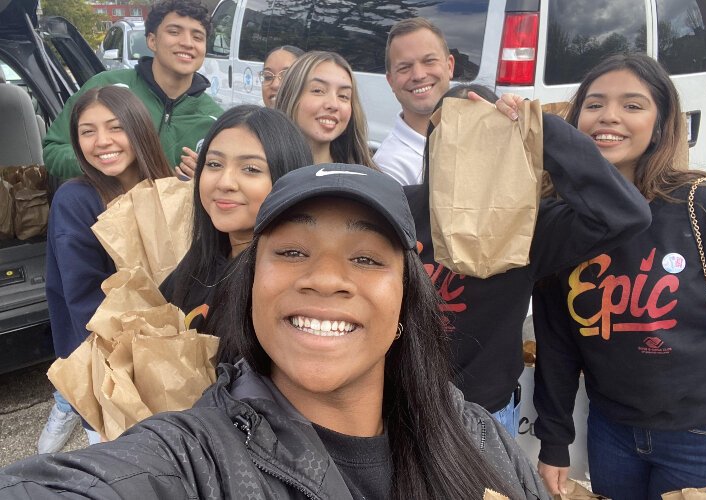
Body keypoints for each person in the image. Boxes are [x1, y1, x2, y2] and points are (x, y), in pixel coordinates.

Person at [0, 164, 550, 500]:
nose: (327, 278)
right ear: (251, 285)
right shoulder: (195, 459)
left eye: (365, 258)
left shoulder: (475, 435)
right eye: (291, 252)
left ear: (407, 296)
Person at [531, 54, 706, 500]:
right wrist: (554, 440)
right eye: (594, 105)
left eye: (632, 105)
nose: (609, 116)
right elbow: (556, 341)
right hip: (611, 434)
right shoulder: (560, 220)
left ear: (662, 121)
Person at [402, 83, 652, 437]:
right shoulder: (399, 207)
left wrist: (541, 129)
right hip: (401, 406)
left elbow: (626, 215)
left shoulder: (530, 225)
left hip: (483, 416)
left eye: (485, 137)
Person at [39, 86, 173, 454]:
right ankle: (66, 404)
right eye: (87, 131)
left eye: (115, 127)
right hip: (112, 369)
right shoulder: (76, 199)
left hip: (170, 356)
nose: (102, 142)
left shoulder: (168, 190)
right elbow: (84, 303)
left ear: (139, 128)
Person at [159, 104, 313, 331]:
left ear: (287, 179)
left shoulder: (284, 287)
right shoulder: (205, 257)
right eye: (214, 164)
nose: (225, 182)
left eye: (251, 169)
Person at [42, 0, 222, 181]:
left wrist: (205, 180)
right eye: (174, 32)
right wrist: (99, 162)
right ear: (152, 41)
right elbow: (53, 150)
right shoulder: (105, 87)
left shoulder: (215, 120)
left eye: (198, 37)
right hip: (105, 207)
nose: (187, 43)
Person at [374, 17, 454, 185]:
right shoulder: (388, 169)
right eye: (404, 67)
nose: (419, 75)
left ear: (449, 66)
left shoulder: (480, 126)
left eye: (429, 61)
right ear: (391, 81)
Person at [274, 51, 376, 168]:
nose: (333, 105)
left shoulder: (364, 178)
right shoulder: (264, 172)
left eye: (343, 96)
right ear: (290, 95)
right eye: (318, 90)